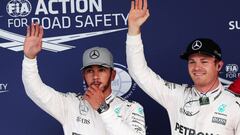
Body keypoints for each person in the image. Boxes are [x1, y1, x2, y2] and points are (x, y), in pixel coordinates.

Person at [126, 0, 240, 134]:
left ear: (219, 65)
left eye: (204, 62)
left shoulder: (234, 105)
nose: (197, 68)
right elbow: (138, 72)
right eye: (192, 62)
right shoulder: (177, 95)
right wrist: (133, 29)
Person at [22, 23, 146, 135]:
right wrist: (29, 59)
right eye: (90, 71)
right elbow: (35, 91)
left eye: (101, 70)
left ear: (113, 75)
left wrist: (103, 108)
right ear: (84, 76)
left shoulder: (131, 109)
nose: (95, 76)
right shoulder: (71, 104)